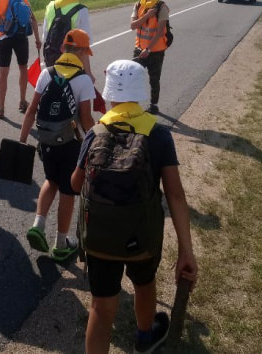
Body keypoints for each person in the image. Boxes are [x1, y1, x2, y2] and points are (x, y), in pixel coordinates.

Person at [71, 60, 197, 354]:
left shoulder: (95, 133)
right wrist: (186, 251)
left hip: (100, 237)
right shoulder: (159, 134)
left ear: (109, 93)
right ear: (142, 92)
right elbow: (176, 196)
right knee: (144, 284)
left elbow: (76, 185)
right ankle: (144, 337)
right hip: (141, 235)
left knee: (101, 307)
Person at [19, 29, 95, 262]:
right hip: (71, 144)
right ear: (82, 52)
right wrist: (96, 139)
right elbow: (85, 118)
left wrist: (22, 140)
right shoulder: (83, 80)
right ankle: (61, 244)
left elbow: (32, 109)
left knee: (51, 181)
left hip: (47, 141)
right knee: (68, 192)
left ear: (63, 49)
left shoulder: (46, 73)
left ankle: (38, 225)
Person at [0, 0, 41, 119]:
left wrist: (4, 19)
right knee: (23, 68)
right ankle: (23, 101)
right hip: (21, 36)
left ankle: (1, 108)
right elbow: (32, 18)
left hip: (4, 37)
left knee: (3, 73)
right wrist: (37, 39)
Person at [41, 0, 94, 82]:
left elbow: (45, 37)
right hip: (72, 62)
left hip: (52, 59)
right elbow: (84, 45)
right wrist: (88, 72)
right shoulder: (81, 10)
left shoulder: (50, 6)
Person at [129, 0, 170, 115]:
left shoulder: (162, 7)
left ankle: (154, 106)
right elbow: (133, 26)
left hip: (156, 50)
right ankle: (132, 105)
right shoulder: (138, 5)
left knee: (154, 79)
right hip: (139, 48)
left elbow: (159, 33)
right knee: (133, 76)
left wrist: (149, 48)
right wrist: (147, 15)